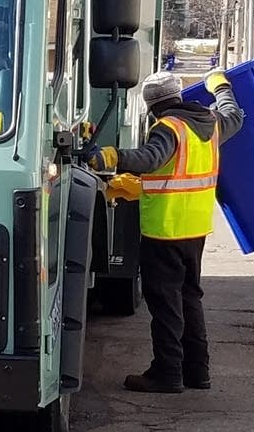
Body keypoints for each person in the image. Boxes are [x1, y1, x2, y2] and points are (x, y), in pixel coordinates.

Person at [84, 69, 244, 393]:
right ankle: (197, 372)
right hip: (194, 230)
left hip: (164, 232)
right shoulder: (211, 123)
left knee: (165, 304)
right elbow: (234, 114)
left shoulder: (168, 128)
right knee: (189, 299)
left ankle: (167, 372)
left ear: (154, 107)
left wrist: (110, 156)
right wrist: (221, 85)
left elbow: (150, 158)